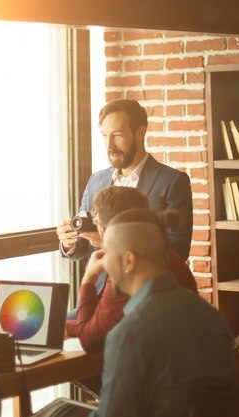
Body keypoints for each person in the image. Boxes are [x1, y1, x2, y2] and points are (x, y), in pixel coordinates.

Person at [91, 208, 236, 417]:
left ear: (129, 261)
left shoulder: (129, 336)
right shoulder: (211, 316)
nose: (104, 264)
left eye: (107, 254)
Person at [57, 99, 193, 317]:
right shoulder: (96, 181)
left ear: (140, 133)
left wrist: (116, 244)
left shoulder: (172, 182)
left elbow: (178, 248)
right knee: (56, 329)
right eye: (104, 135)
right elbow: (83, 247)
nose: (109, 145)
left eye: (117, 135)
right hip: (98, 297)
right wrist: (69, 242)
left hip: (143, 300)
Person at [65, 186, 197, 353]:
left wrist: (89, 278)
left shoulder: (127, 268)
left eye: (97, 221)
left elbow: (89, 339)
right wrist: (68, 327)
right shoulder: (165, 254)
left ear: (104, 230)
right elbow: (110, 322)